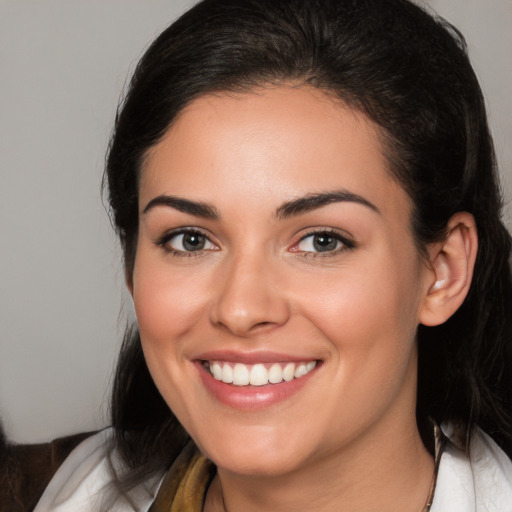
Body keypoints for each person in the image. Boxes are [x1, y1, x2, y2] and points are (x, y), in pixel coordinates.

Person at [2, 0, 512, 510]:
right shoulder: (35, 490)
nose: (241, 309)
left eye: (321, 241)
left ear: (442, 272)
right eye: (191, 239)